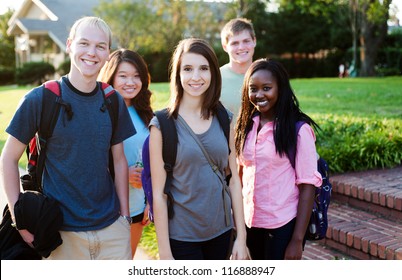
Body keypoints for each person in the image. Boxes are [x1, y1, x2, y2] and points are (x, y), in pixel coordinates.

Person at [0, 16, 136, 260]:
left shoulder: (112, 100)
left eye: (100, 46)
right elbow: (8, 159)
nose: (91, 52)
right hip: (60, 235)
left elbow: (118, 160)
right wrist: (19, 220)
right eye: (84, 43)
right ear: (69, 45)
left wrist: (125, 218)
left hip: (112, 231)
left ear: (108, 54)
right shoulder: (40, 99)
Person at [149, 38, 248, 260]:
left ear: (213, 72)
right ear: (178, 74)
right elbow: (159, 194)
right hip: (181, 237)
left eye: (203, 68)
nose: (196, 77)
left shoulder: (224, 117)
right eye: (188, 69)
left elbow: (233, 180)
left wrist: (241, 238)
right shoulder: (161, 125)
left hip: (221, 231)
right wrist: (165, 253)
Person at [234, 58, 322, 260]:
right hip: (249, 222)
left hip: (283, 225)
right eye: (253, 89)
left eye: (267, 88)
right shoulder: (245, 126)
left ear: (280, 89)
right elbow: (239, 174)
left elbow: (308, 185)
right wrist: (237, 227)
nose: (259, 95)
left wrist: (297, 240)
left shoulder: (299, 130)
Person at [98, 49, 153, 258]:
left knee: (127, 261)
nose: (131, 82)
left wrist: (150, 200)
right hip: (107, 208)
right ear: (110, 77)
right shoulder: (100, 113)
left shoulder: (147, 114)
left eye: (136, 76)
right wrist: (120, 174)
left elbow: (153, 162)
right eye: (123, 76)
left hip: (137, 205)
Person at [220, 18, 256, 118]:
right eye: (235, 43)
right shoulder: (215, 78)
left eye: (246, 41)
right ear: (225, 47)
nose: (241, 47)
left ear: (254, 41)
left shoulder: (268, 76)